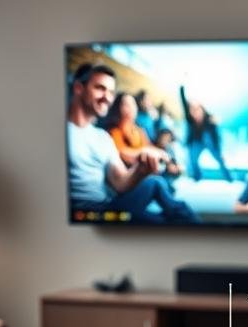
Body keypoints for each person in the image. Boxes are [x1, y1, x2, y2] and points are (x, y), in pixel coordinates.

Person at [67, 63, 197, 223]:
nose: (107, 97)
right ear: (79, 88)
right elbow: (124, 152)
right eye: (100, 88)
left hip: (108, 207)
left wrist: (141, 170)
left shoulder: (102, 137)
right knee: (164, 222)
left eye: (111, 92)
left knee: (159, 190)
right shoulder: (61, 132)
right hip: (85, 213)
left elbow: (120, 182)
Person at [179, 85, 233, 182]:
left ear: (202, 110)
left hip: (209, 142)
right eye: (192, 110)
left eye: (197, 109)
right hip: (196, 141)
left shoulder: (210, 119)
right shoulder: (189, 118)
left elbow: (217, 137)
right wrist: (182, 88)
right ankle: (197, 177)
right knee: (193, 159)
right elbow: (183, 103)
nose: (195, 113)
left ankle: (229, 178)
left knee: (220, 159)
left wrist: (220, 151)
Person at [105, 92, 158, 167]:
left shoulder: (139, 130)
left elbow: (149, 146)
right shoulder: (114, 131)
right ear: (118, 108)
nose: (132, 107)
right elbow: (122, 153)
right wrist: (145, 152)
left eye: (133, 104)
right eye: (126, 104)